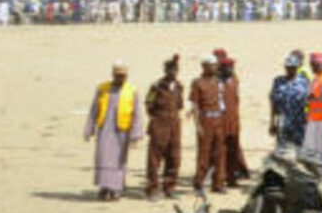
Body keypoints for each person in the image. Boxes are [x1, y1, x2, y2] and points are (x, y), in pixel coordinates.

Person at [84, 62, 143, 201]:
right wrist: (89, 129)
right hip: (105, 129)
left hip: (122, 131)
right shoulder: (102, 88)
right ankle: (104, 187)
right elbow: (94, 110)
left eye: (123, 76)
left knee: (119, 160)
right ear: (113, 75)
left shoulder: (131, 90)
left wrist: (136, 135)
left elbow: (137, 113)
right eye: (118, 75)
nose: (120, 78)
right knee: (103, 157)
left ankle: (116, 189)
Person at [144, 54, 184, 200]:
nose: (172, 73)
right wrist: (156, 120)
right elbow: (149, 104)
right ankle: (152, 188)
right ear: (165, 70)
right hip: (159, 123)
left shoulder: (179, 86)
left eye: (175, 70)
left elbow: (179, 105)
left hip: (174, 124)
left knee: (174, 156)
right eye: (170, 70)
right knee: (155, 158)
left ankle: (170, 187)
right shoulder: (156, 86)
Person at [189, 56, 227, 195]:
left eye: (215, 65)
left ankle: (218, 183)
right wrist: (198, 125)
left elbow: (223, 103)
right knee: (204, 154)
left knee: (219, 153)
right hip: (206, 120)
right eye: (211, 65)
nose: (215, 67)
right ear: (204, 66)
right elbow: (194, 105)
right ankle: (199, 183)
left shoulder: (218, 83)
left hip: (218, 119)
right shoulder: (198, 83)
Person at [216, 54, 249, 184]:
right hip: (221, 120)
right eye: (228, 67)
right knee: (221, 150)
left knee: (233, 149)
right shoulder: (217, 83)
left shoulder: (234, 81)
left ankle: (232, 177)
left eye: (231, 67)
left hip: (233, 120)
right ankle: (220, 177)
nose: (231, 70)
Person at [269, 53, 309, 149]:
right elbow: (274, 103)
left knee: (299, 151)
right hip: (283, 123)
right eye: (288, 67)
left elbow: (309, 102)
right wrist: (272, 122)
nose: (290, 70)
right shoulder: (278, 81)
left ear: (297, 67)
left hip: (299, 123)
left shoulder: (304, 82)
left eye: (293, 67)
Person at [303, 53, 322, 157]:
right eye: (312, 65)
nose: (313, 67)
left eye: (316, 64)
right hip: (313, 120)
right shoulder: (315, 79)